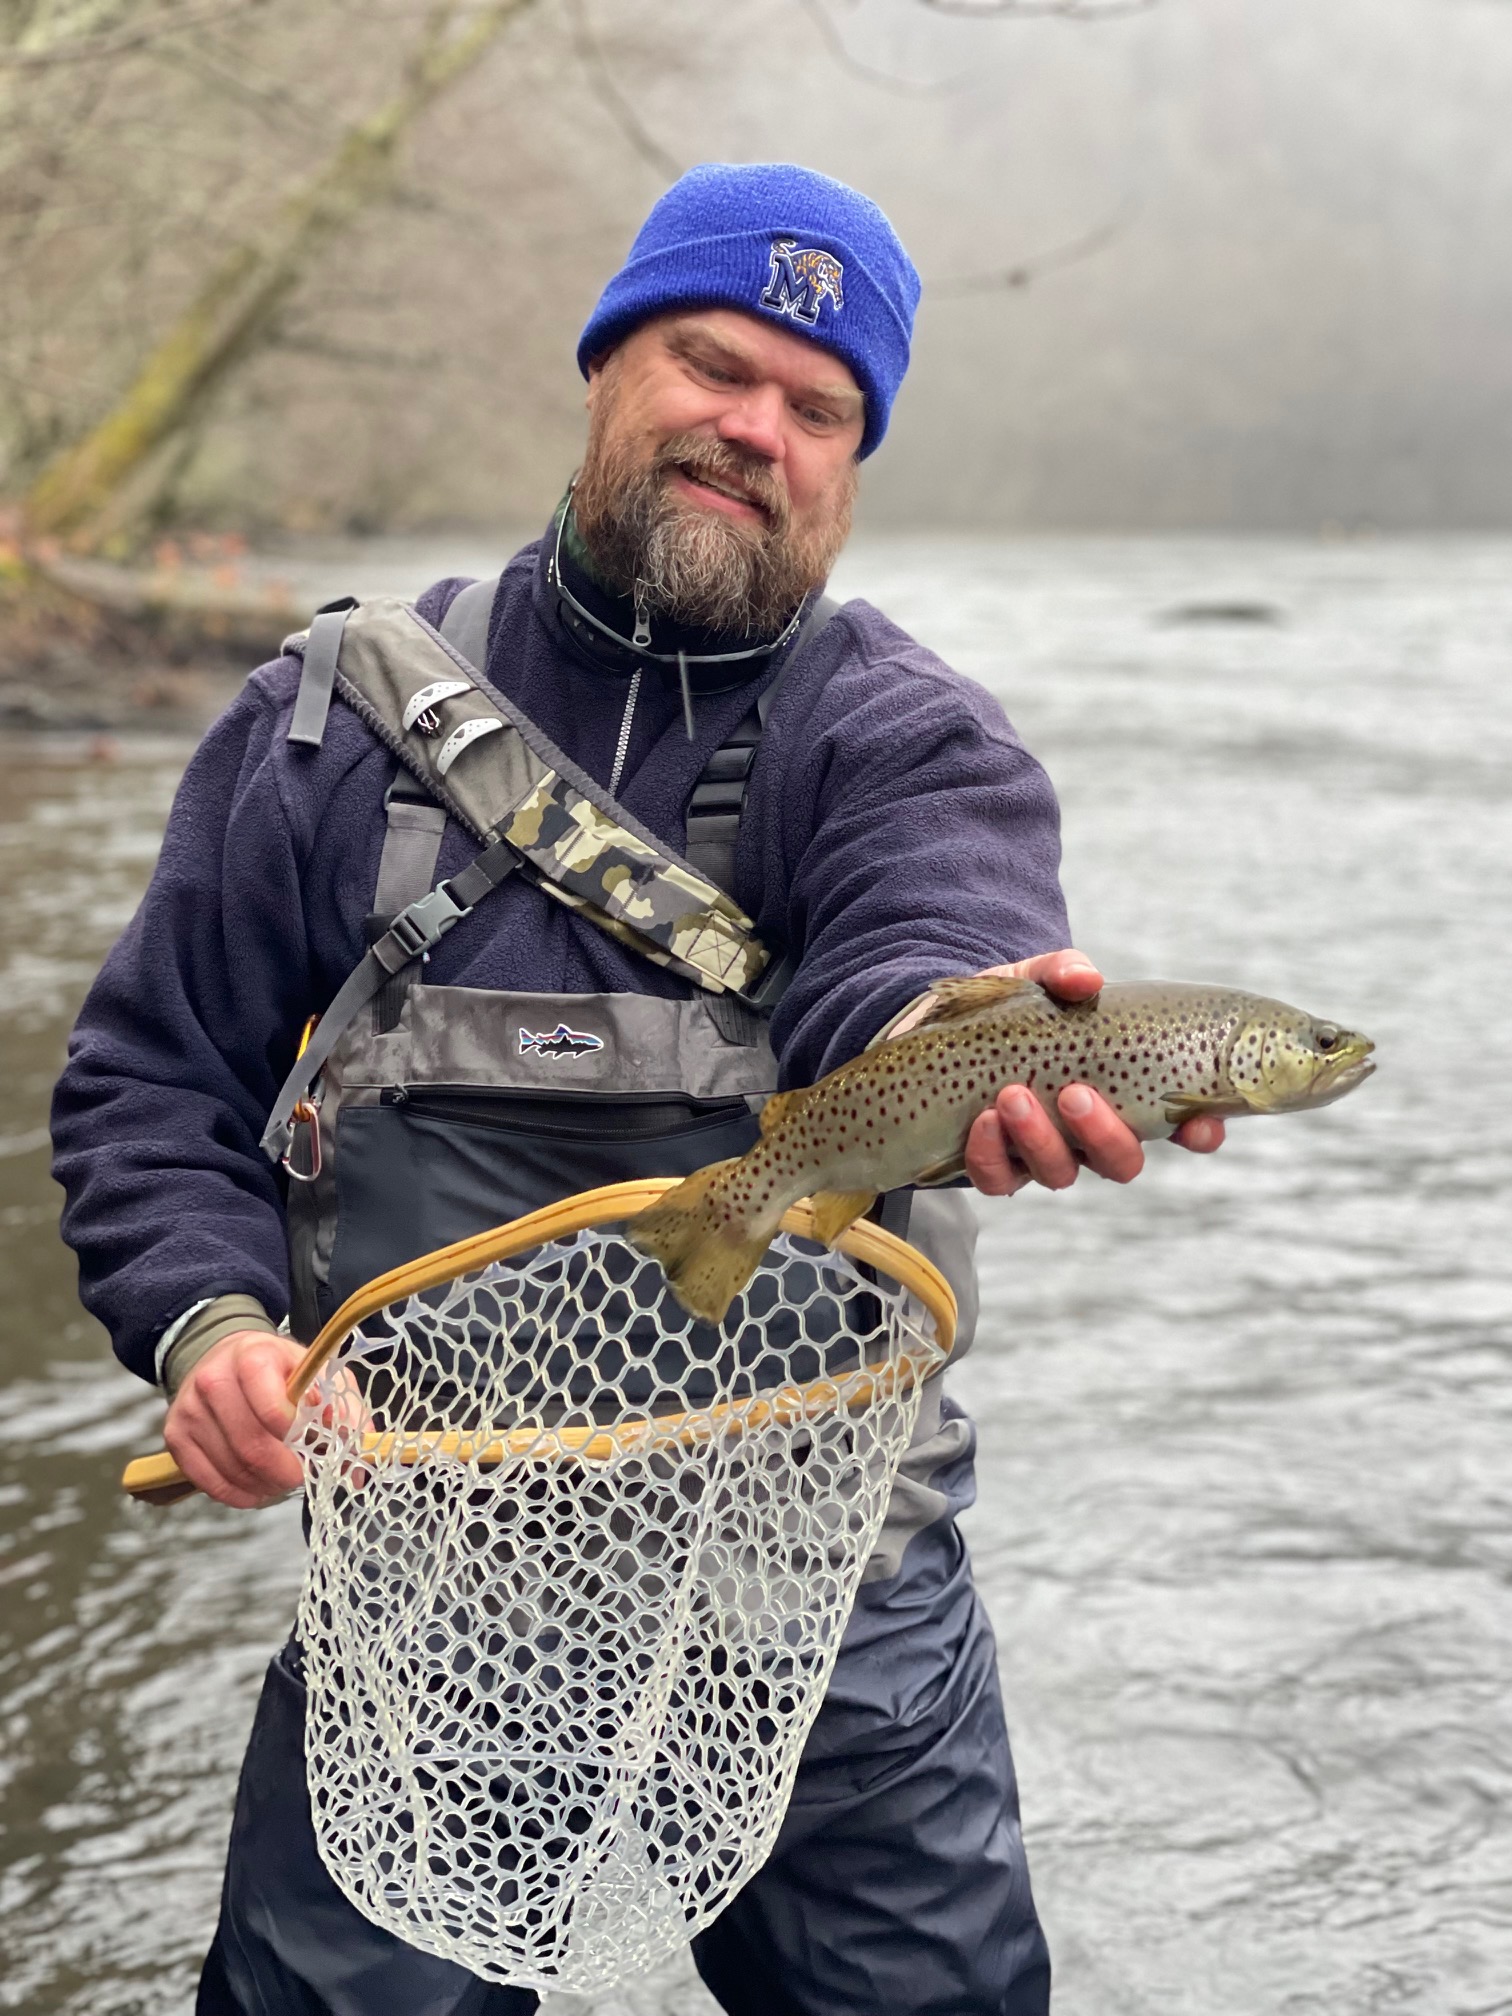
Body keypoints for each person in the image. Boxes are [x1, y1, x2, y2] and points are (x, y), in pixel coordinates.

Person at [52, 163, 1223, 2016]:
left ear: (852, 458)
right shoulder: (322, 727)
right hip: (424, 1595)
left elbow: (916, 959)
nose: (753, 429)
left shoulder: (910, 742)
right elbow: (148, 1084)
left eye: (816, 407)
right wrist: (203, 1329)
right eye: (711, 364)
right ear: (607, 365)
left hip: (832, 1606)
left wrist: (967, 1043)